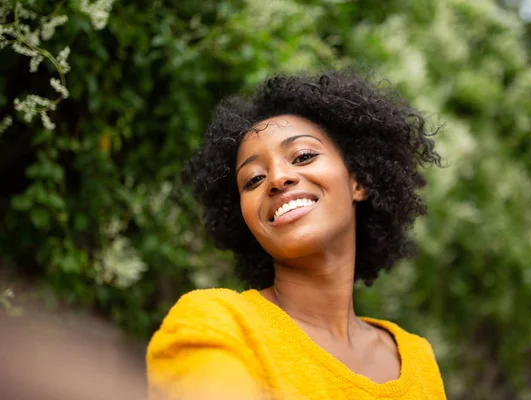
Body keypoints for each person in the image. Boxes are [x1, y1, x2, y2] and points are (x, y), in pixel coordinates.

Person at [146, 71, 446, 400]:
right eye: (253, 180)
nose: (278, 178)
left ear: (357, 183)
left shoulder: (418, 360)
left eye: (303, 156)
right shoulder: (216, 322)